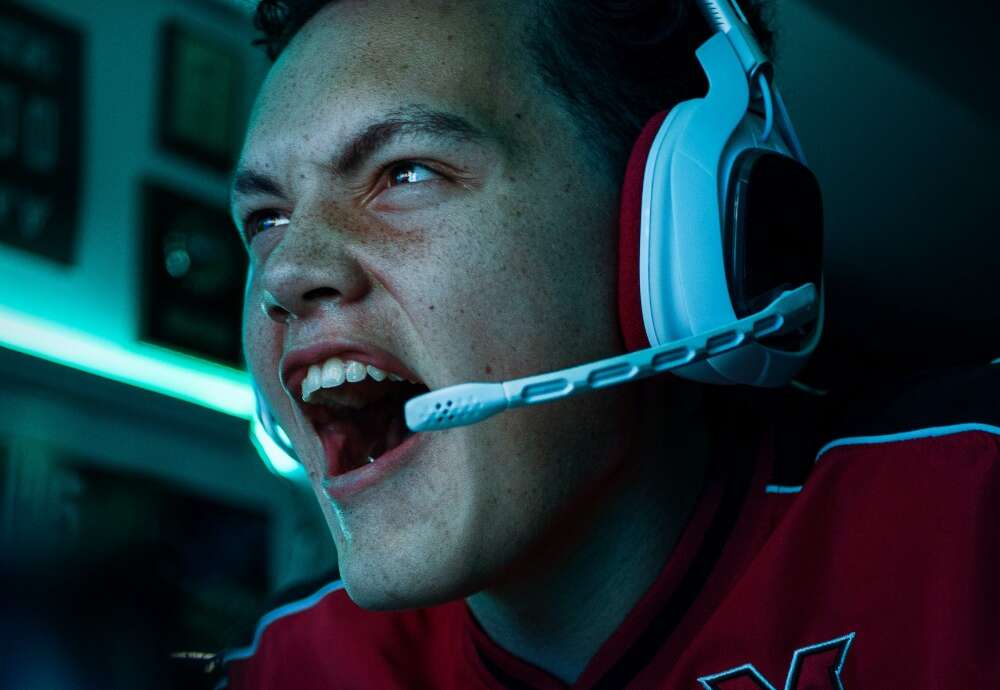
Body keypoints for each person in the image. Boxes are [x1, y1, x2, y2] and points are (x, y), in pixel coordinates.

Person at [218, 0, 1000, 687]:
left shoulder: (971, 509)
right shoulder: (284, 666)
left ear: (667, 233)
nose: (285, 273)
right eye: (267, 219)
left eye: (406, 173)